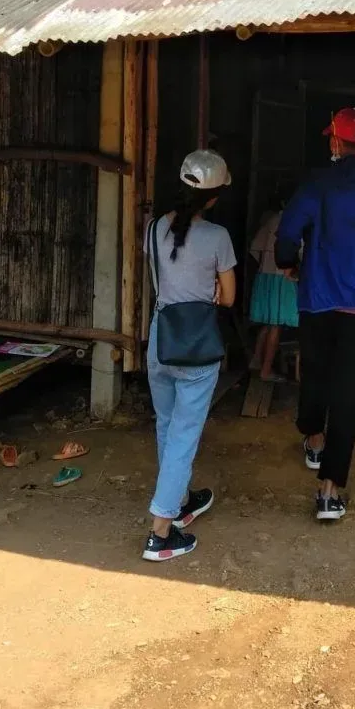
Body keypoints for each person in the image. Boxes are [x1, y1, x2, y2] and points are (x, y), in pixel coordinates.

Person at [276, 106, 355, 522]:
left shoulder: (318, 182)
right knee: (349, 392)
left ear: (334, 140)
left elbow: (288, 230)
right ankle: (329, 492)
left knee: (315, 372)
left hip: (319, 298)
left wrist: (287, 263)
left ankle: (314, 440)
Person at [140, 150, 237, 562]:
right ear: (214, 197)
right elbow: (228, 298)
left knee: (167, 425)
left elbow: (160, 283)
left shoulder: (153, 229)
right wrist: (211, 290)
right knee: (184, 434)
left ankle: (179, 501)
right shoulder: (218, 237)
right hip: (195, 342)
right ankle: (160, 531)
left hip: (161, 337)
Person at [248, 192, 297, 382]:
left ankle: (256, 360)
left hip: (265, 276)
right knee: (276, 325)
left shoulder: (270, 220)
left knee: (268, 323)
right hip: (281, 277)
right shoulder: (292, 221)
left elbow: (254, 248)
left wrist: (265, 264)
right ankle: (266, 370)